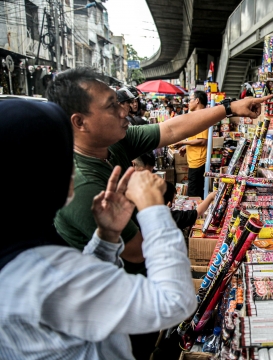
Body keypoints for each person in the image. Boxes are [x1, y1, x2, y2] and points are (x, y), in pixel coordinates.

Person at [0, 100, 196, 359]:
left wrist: (106, 237)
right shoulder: (46, 273)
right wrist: (152, 207)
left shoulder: (18, 248)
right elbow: (175, 302)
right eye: (63, 154)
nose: (72, 165)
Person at [47, 67, 269, 264]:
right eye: (111, 106)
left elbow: (170, 130)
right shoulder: (81, 186)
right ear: (79, 122)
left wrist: (229, 108)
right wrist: (153, 203)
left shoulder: (113, 142)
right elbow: (138, 251)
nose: (124, 111)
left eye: (119, 103)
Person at [174, 90, 211, 198]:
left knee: (194, 195)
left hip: (198, 162)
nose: (188, 103)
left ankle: (196, 214)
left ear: (197, 101)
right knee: (194, 192)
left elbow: (203, 140)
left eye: (190, 100)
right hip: (194, 161)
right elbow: (197, 138)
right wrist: (186, 147)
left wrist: (183, 142)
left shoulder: (202, 117)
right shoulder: (197, 116)